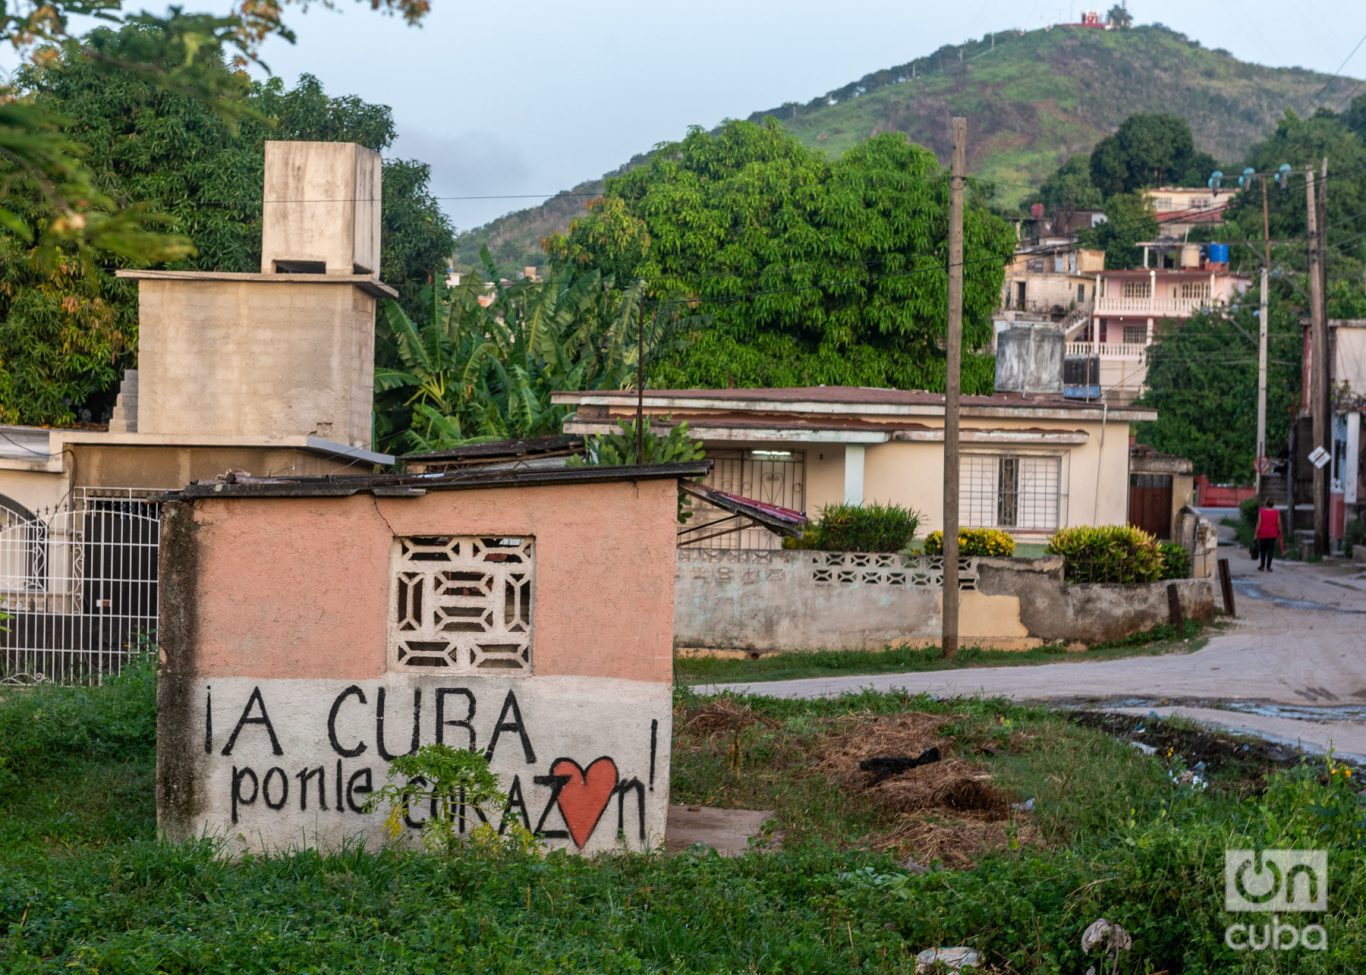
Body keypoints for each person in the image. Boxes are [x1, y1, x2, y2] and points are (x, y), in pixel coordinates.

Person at [1254, 499, 1282, 572]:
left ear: (1265, 504)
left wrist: (1255, 534)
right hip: (1272, 534)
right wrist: (1280, 533)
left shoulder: (1261, 511)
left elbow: (1259, 523)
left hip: (1262, 533)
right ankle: (1268, 567)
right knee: (1270, 550)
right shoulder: (1277, 512)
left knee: (1262, 550)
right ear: (1273, 504)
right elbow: (1279, 523)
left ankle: (1262, 566)